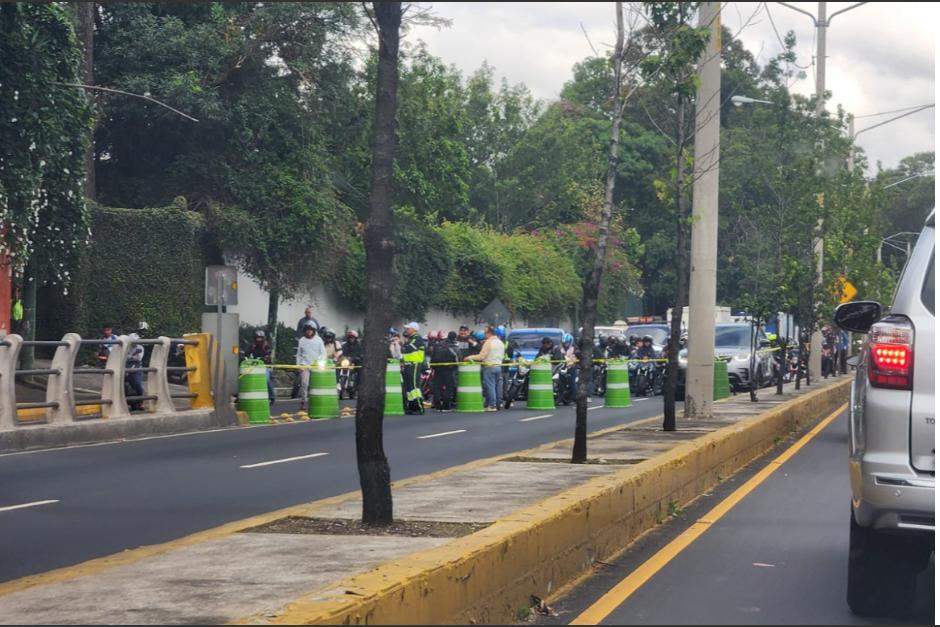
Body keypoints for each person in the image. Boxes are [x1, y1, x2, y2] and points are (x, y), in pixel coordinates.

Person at [465, 325, 505, 412]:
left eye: (485, 332)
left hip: (489, 366)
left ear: (489, 333)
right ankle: (498, 403)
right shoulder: (500, 342)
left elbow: (481, 356)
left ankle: (492, 405)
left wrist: (470, 357)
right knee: (497, 386)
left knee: (490, 386)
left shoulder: (488, 342)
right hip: (498, 366)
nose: (484, 334)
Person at [296, 322, 325, 412]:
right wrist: (299, 365)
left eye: (310, 330)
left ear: (313, 331)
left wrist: (320, 362)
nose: (309, 332)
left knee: (316, 385)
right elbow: (299, 354)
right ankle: (304, 401)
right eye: (307, 330)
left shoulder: (319, 340)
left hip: (316, 365)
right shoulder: (302, 340)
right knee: (304, 384)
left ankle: (316, 401)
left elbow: (323, 353)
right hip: (305, 365)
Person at [430, 331, 459, 411]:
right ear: (454, 338)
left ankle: (437, 405)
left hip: (437, 368)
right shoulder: (454, 347)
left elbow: (432, 357)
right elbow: (457, 359)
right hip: (448, 369)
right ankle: (446, 406)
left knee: (437, 387)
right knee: (449, 387)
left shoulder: (438, 345)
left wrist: (432, 366)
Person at [401, 322, 427, 414]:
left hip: (415, 364)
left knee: (414, 386)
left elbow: (409, 348)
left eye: (408, 328)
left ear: (414, 329)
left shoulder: (417, 338)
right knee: (409, 387)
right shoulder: (410, 339)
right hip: (408, 364)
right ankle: (412, 407)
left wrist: (400, 344)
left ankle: (419, 407)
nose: (406, 330)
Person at [246, 329, 275, 405]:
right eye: (257, 338)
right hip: (255, 365)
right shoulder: (252, 345)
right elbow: (247, 353)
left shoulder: (266, 345)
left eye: (260, 338)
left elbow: (269, 353)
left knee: (265, 379)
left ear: (263, 338)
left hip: (265, 365)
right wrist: (245, 356)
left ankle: (271, 397)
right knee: (246, 378)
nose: (259, 339)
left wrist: (266, 357)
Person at [125, 332, 145, 411]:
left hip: (136, 369)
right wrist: (132, 355)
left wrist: (130, 356)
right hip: (125, 368)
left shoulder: (140, 347)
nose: (137, 342)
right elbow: (124, 357)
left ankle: (140, 402)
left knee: (137, 385)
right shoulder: (126, 347)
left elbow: (138, 359)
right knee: (121, 385)